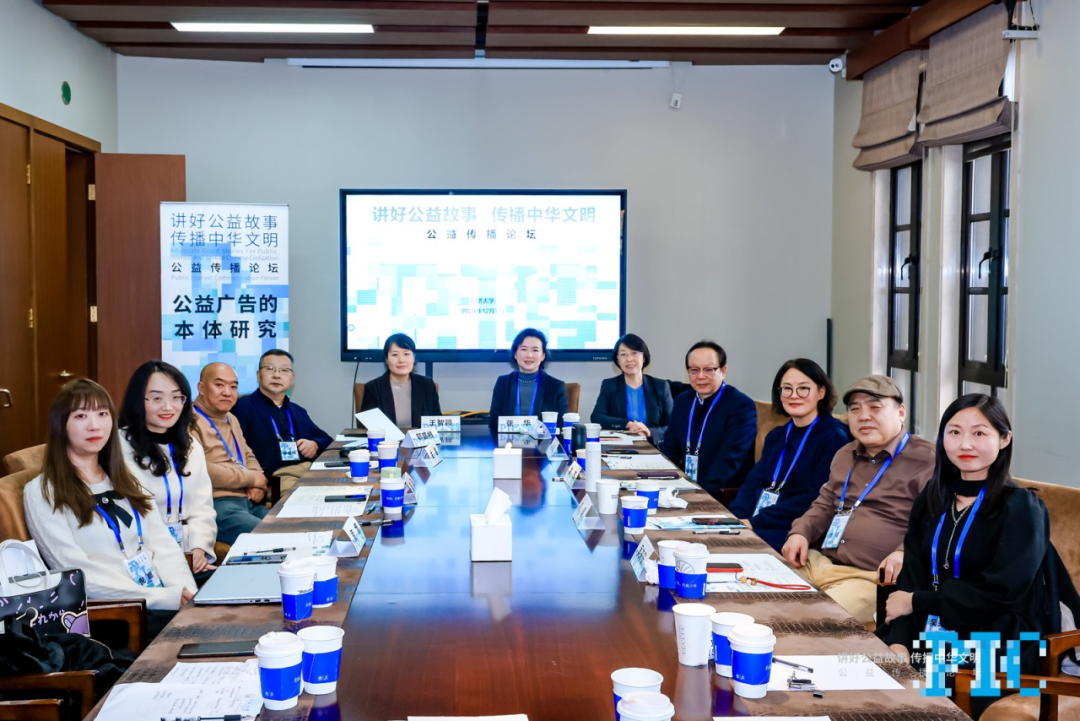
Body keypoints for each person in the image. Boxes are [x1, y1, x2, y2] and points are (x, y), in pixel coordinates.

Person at [877, 394, 1080, 697]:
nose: (965, 444)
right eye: (954, 432)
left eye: (979, 433)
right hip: (930, 628)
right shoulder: (932, 498)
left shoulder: (1022, 508)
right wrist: (899, 643)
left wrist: (917, 602)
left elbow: (999, 595)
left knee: (923, 694)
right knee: (861, 675)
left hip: (996, 640)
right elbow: (912, 578)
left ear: (1004, 439)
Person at [23, 379, 197, 639]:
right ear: (61, 424)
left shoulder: (125, 477)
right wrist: (163, 598)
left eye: (102, 414)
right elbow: (78, 574)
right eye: (81, 416)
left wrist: (188, 594)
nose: (94, 425)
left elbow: (162, 543)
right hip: (114, 614)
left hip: (158, 599)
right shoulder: (43, 491)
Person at [782, 375, 935, 625]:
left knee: (810, 621)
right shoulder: (845, 454)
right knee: (758, 595)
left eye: (875, 407)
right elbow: (825, 503)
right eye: (855, 409)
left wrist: (903, 552)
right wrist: (800, 532)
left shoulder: (927, 460)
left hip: (870, 578)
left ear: (901, 412)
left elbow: (934, 523)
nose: (863, 416)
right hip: (818, 562)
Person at [728, 359, 850, 552]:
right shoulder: (777, 435)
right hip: (758, 521)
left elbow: (815, 498)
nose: (794, 395)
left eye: (803, 388)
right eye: (787, 388)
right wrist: (735, 518)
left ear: (821, 392)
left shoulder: (834, 438)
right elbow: (753, 483)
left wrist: (754, 522)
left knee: (730, 549)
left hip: (795, 530)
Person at [118, 361, 218, 574]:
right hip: (146, 557)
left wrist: (199, 549)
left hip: (188, 553)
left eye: (176, 397)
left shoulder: (191, 445)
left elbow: (202, 507)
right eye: (157, 398)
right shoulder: (119, 447)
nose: (168, 407)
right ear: (137, 400)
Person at [659, 341, 757, 496]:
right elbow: (670, 449)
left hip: (723, 494)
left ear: (723, 371)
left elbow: (729, 461)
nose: (701, 376)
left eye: (709, 369)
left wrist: (698, 494)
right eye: (694, 370)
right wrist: (658, 480)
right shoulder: (682, 401)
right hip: (684, 487)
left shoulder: (741, 406)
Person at [191, 362, 268, 545]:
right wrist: (251, 479)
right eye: (219, 385)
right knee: (269, 537)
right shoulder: (188, 421)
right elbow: (201, 469)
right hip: (216, 504)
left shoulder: (231, 418)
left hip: (246, 500)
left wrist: (258, 483)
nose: (227, 392)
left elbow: (247, 455)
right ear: (201, 388)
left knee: (288, 526)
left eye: (233, 387)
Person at [233, 349, 333, 485]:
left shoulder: (298, 411)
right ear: (258, 375)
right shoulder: (242, 407)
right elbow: (235, 452)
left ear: (292, 378)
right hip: (272, 478)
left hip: (307, 471)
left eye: (284, 370)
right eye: (270, 369)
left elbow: (328, 441)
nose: (276, 375)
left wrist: (315, 444)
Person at [590, 333, 674, 445]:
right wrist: (627, 424)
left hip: (653, 447)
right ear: (618, 360)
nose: (629, 359)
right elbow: (597, 417)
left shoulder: (661, 387)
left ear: (643, 357)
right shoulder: (610, 385)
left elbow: (674, 426)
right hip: (620, 447)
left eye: (634, 353)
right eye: (623, 354)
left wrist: (650, 432)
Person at [489, 328, 568, 432]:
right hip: (509, 440)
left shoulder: (555, 386)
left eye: (535, 350)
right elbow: (494, 423)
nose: (529, 355)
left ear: (543, 356)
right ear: (515, 354)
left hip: (543, 441)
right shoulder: (503, 383)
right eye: (524, 349)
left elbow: (561, 426)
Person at [360, 334, 442, 429]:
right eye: (395, 355)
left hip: (420, 438)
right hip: (387, 439)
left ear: (414, 357)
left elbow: (437, 422)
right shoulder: (373, 388)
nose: (401, 360)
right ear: (386, 359)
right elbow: (370, 426)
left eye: (406, 354)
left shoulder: (427, 385)